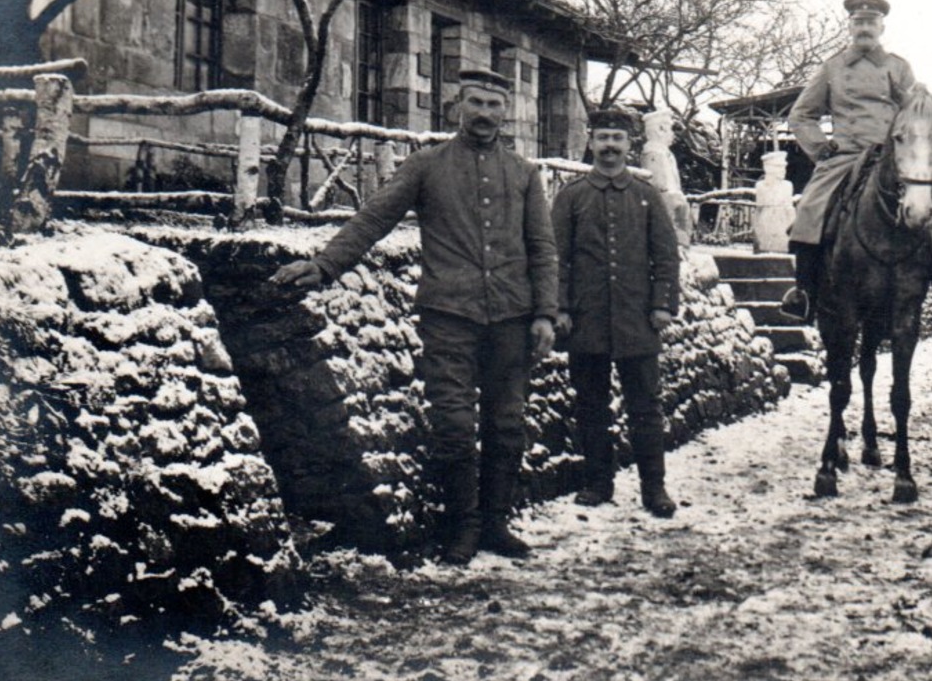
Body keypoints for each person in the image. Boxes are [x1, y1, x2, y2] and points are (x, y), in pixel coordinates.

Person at [270, 69, 558, 564]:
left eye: (494, 104)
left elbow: (542, 247)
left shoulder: (524, 173)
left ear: (505, 111)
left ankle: (495, 524)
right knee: (453, 423)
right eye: (475, 103)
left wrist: (546, 313)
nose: (485, 113)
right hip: (448, 315)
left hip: (512, 316)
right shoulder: (426, 165)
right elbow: (374, 219)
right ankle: (462, 526)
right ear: (456, 106)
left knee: (508, 424)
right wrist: (324, 265)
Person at [781, 0, 932, 325]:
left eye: (871, 22)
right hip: (846, 156)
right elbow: (801, 116)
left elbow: (916, 112)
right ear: (850, 26)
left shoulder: (899, 66)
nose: (865, 27)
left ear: (882, 26)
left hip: (892, 157)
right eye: (859, 22)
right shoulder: (832, 68)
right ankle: (804, 294)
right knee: (810, 207)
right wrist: (822, 149)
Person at [551, 108, 683, 518]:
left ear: (630, 146)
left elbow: (665, 256)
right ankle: (598, 482)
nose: (610, 146)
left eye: (618, 139)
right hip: (586, 321)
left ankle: (653, 488)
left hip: (637, 321)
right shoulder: (572, 196)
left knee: (645, 406)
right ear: (590, 142)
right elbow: (557, 258)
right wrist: (560, 307)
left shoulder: (647, 197)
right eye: (603, 137)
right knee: (591, 405)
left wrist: (662, 304)